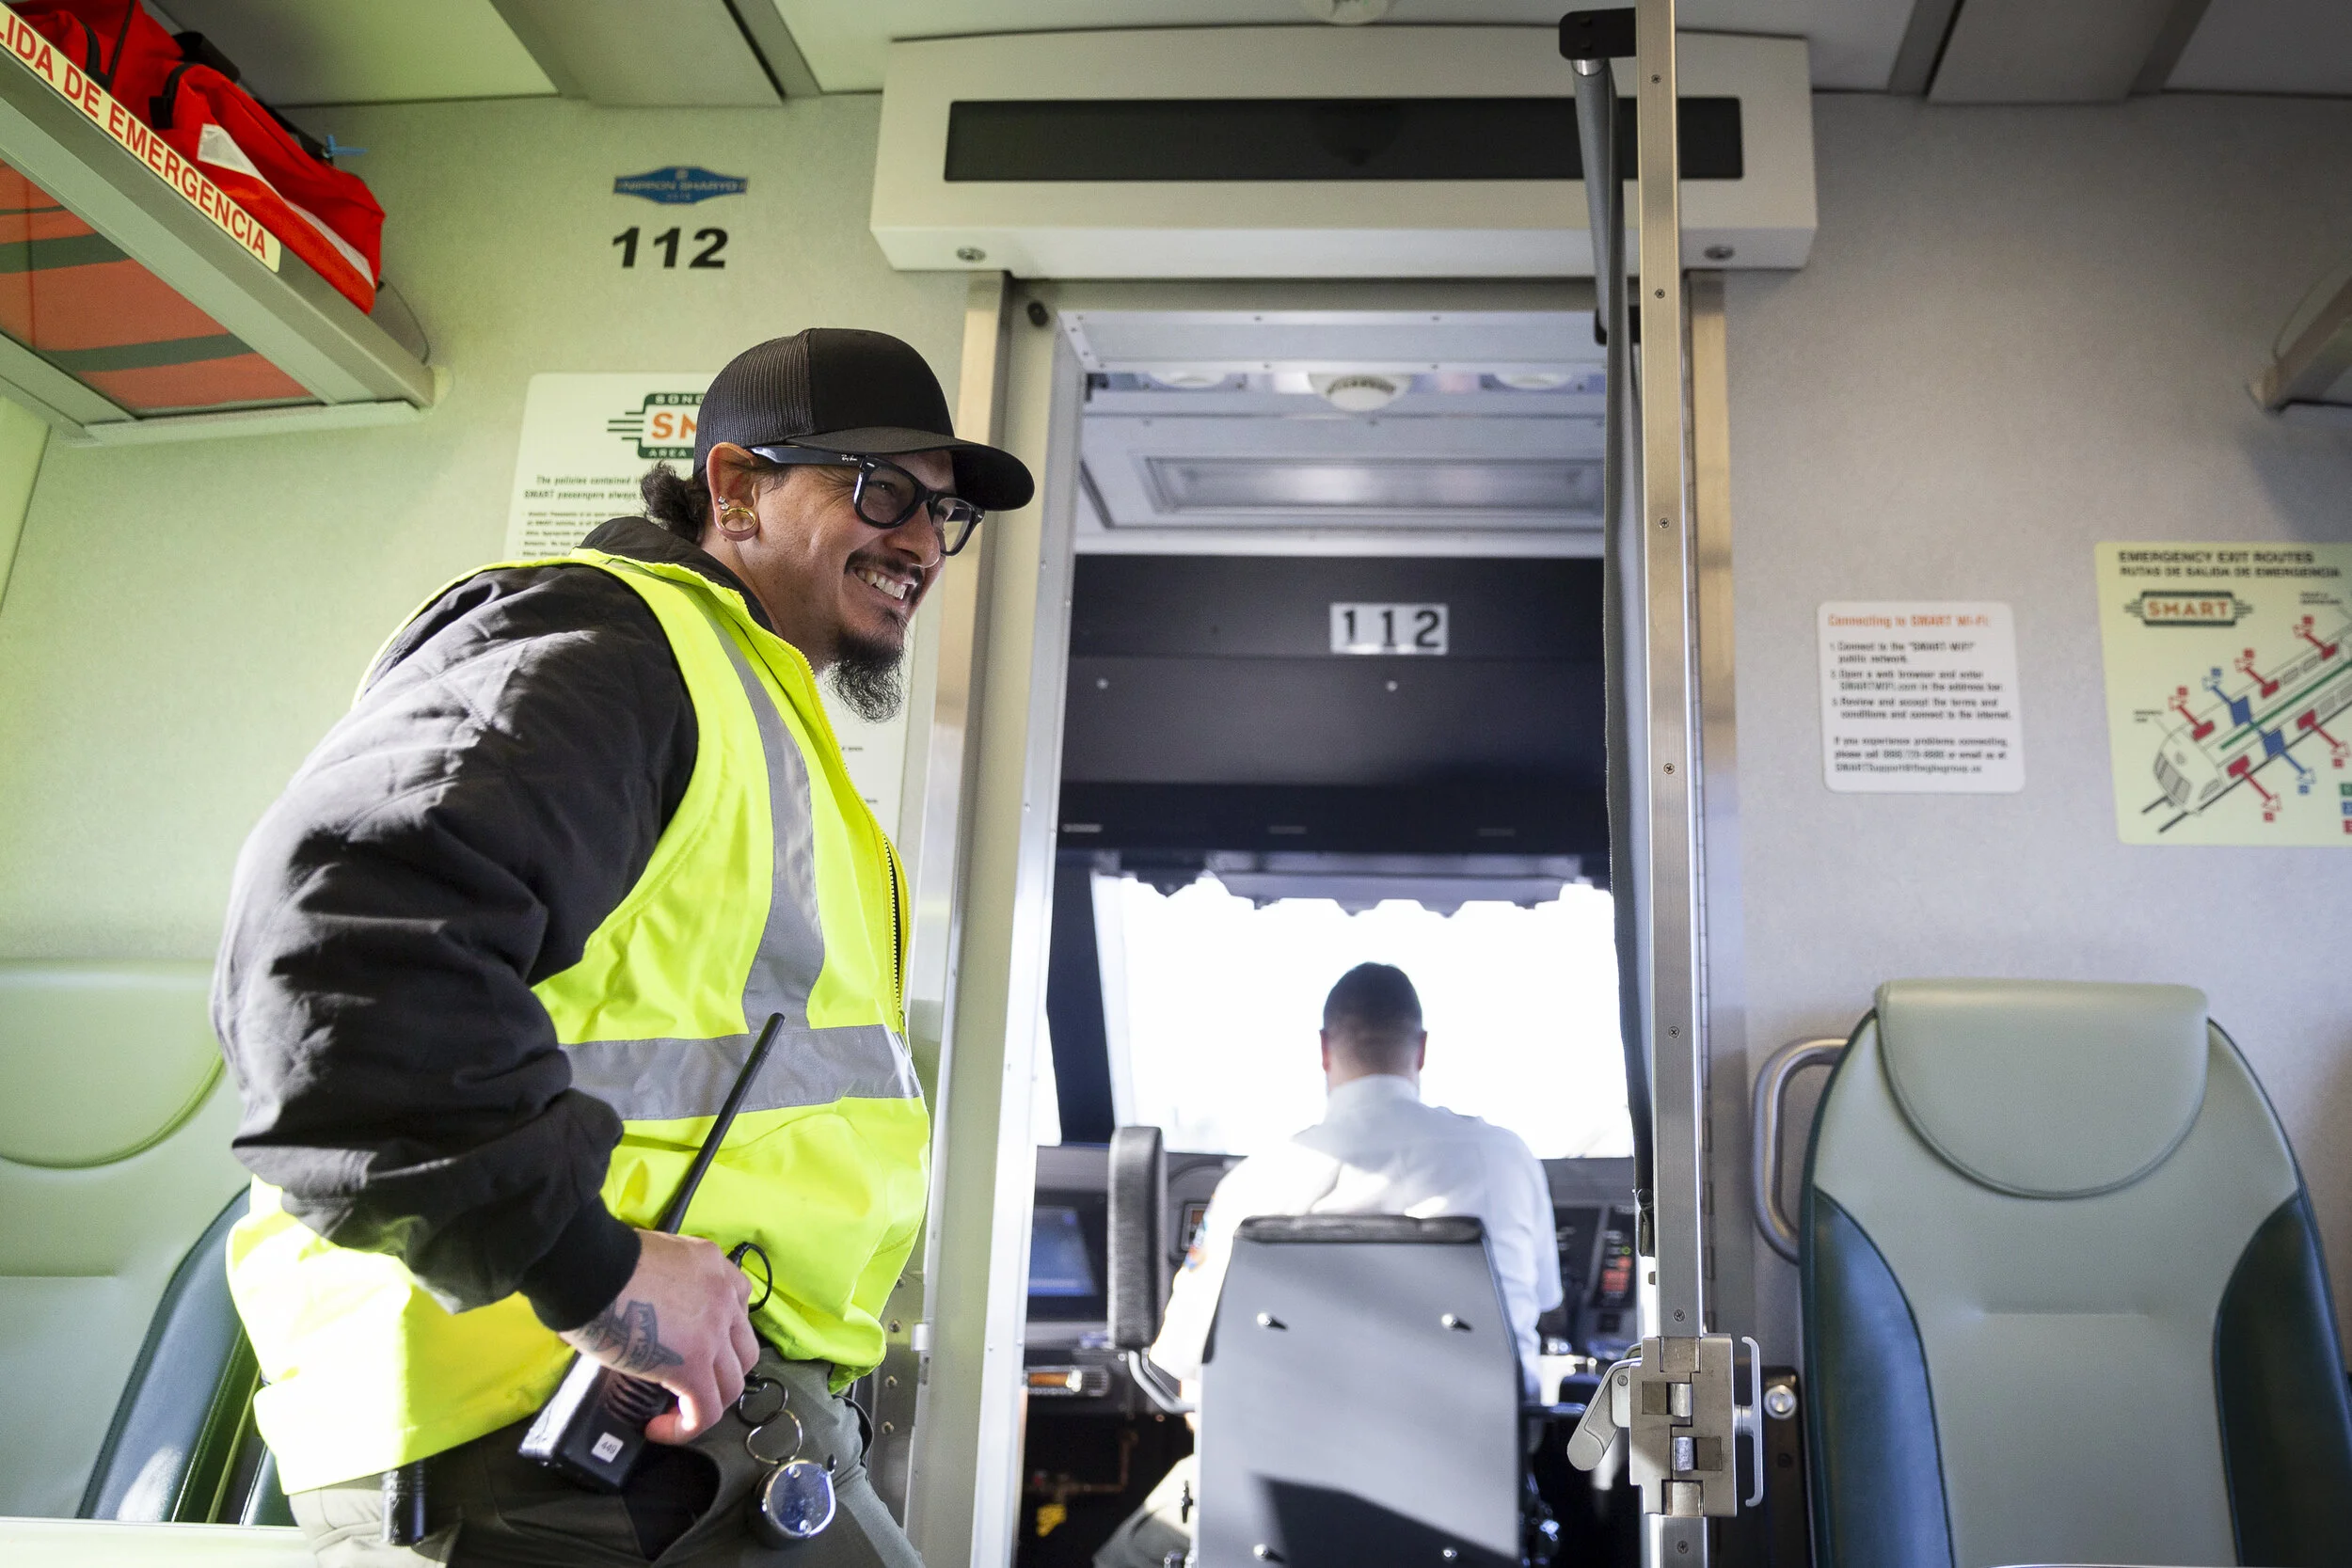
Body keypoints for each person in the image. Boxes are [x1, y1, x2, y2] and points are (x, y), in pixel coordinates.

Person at [215, 328, 1032, 1567]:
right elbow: (341, 954)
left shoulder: (760, 718)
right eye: (881, 490)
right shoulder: (617, 648)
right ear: (736, 488)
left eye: (944, 511)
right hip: (551, 1433)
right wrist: (591, 1268)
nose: (921, 539)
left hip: (678, 1426)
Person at [1095, 962, 1564, 1568]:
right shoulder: (1506, 1159)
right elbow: (1541, 1309)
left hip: (1277, 1522)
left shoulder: (1255, 1182)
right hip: (1473, 1501)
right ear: (1421, 1049)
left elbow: (1183, 1367)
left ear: (1323, 1050)